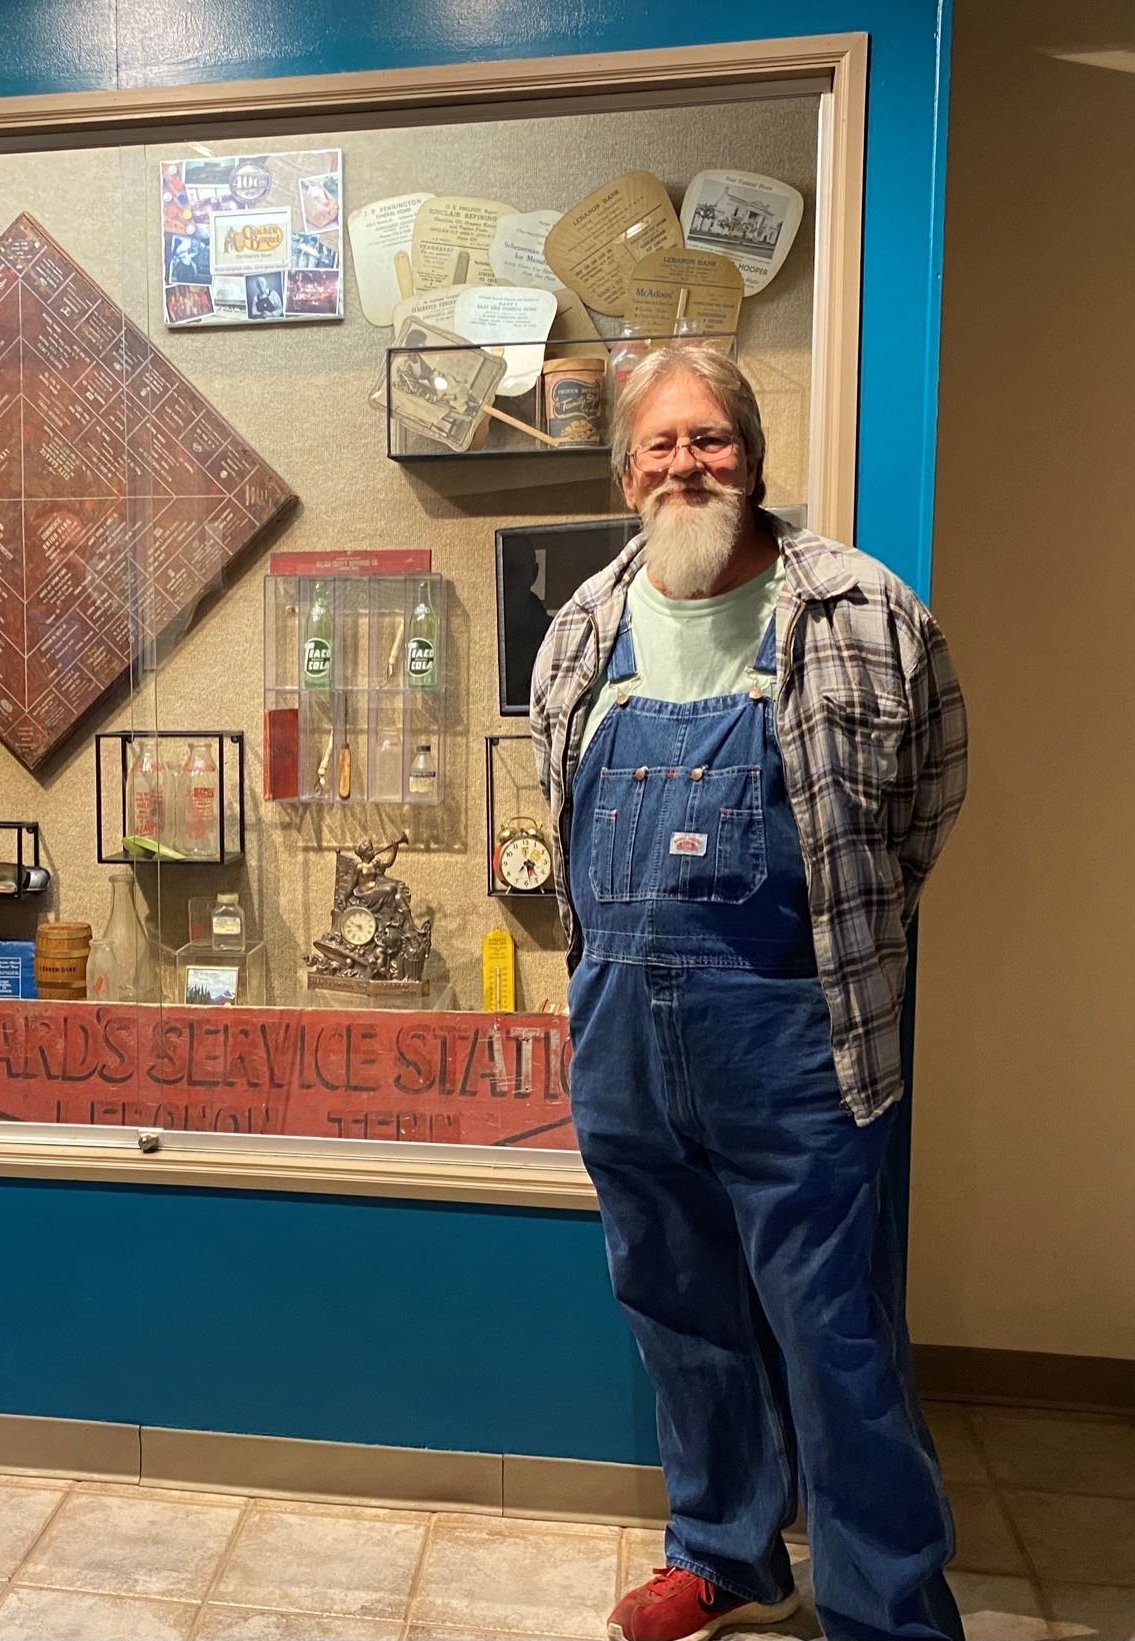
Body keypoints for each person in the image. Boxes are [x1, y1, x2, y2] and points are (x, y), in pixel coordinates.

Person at [530, 348, 968, 1641]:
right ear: (624, 473)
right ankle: (722, 1550)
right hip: (621, 1041)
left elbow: (926, 798)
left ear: (752, 457)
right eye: (659, 444)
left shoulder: (856, 609)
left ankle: (884, 1608)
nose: (684, 463)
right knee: (677, 1316)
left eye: (708, 438)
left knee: (836, 1340)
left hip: (797, 1043)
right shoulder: (581, 631)